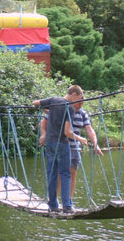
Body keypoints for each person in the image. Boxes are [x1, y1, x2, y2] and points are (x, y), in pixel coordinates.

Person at [32, 85, 88, 214]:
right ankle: (67, 206)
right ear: (73, 94)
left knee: (52, 175)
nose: (79, 102)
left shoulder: (53, 100)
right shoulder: (70, 108)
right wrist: (80, 139)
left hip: (50, 143)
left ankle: (53, 205)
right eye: (79, 98)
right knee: (65, 174)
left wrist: (49, 111)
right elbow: (67, 132)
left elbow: (35, 103)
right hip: (62, 144)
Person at [39, 97, 103, 199]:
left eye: (82, 103)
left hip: (74, 148)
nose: (80, 105)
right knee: (60, 174)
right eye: (79, 103)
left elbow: (90, 130)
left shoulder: (82, 114)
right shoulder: (61, 109)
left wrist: (95, 144)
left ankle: (69, 201)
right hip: (60, 146)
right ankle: (53, 200)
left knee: (72, 174)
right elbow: (44, 122)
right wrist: (44, 134)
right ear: (74, 100)